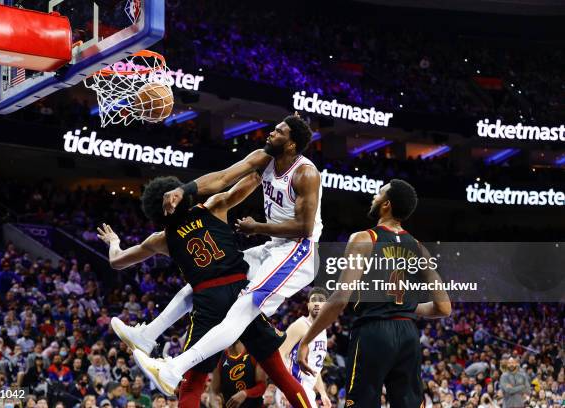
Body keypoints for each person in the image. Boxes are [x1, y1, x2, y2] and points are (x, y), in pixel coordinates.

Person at [130, 113, 322, 395]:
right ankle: (147, 336)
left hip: (300, 252)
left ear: (291, 145)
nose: (271, 133)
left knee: (241, 310)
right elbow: (222, 178)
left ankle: (174, 369)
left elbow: (304, 228)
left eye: (279, 132)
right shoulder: (263, 157)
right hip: (274, 247)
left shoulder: (306, 174)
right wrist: (184, 190)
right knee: (217, 274)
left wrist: (257, 226)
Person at [98, 174, 313, 408]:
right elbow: (251, 179)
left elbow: (117, 262)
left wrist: (114, 242)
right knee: (281, 375)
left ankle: (148, 335)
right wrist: (268, 164)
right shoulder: (213, 207)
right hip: (241, 292)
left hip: (207, 300)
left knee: (192, 383)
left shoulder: (160, 239)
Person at [297, 180, 451, 408]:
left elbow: (340, 299)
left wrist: (306, 340)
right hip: (408, 335)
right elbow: (443, 308)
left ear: (386, 204)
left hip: (373, 332)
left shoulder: (364, 239)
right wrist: (404, 307)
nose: (374, 197)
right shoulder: (419, 248)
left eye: (379, 193)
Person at [277, 288, 330, 408]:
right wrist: (285, 388)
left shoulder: (323, 331)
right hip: (294, 386)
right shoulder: (300, 325)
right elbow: (280, 354)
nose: (317, 303)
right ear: (308, 306)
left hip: (307, 390)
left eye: (321, 300)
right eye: (313, 300)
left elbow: (315, 368)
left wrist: (322, 393)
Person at [211, 340, 267, 408]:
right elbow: (214, 391)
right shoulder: (219, 358)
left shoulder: (253, 352)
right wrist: (215, 400)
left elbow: (262, 386)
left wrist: (245, 393)